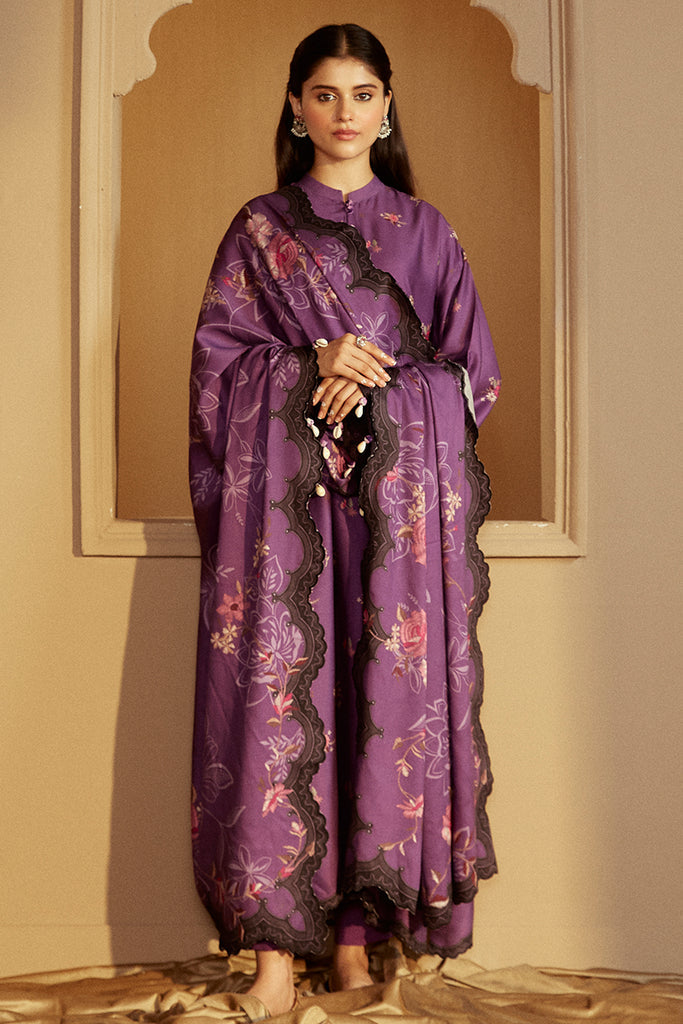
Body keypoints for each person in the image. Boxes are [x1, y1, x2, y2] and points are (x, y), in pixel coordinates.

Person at [189, 23, 501, 1017]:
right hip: (287, 524)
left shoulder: (426, 230)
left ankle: (358, 943)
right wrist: (307, 365)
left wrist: (385, 388)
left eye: (362, 93)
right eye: (323, 93)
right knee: (284, 706)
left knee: (378, 706)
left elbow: (473, 382)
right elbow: (216, 375)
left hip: (392, 524)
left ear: (387, 105)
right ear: (294, 107)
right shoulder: (259, 230)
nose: (343, 112)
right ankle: (276, 961)